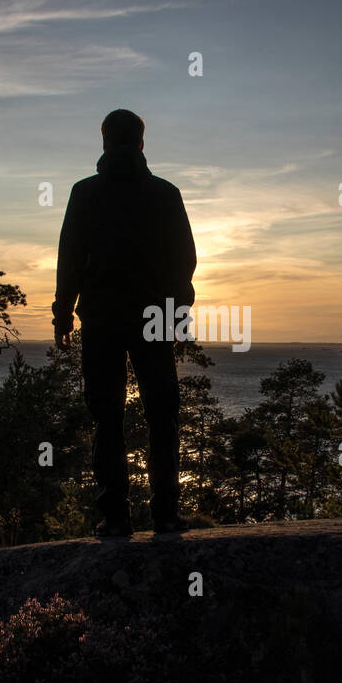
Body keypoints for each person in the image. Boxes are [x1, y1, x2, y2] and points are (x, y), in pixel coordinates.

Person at [52, 109, 197, 538]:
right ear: (141, 144)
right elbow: (185, 261)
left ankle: (115, 518)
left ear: (103, 142)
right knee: (162, 415)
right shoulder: (166, 194)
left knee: (107, 418)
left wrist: (64, 314)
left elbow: (70, 261)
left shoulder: (85, 193)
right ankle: (166, 515)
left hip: (100, 318)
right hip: (154, 318)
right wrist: (177, 314)